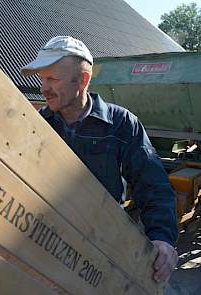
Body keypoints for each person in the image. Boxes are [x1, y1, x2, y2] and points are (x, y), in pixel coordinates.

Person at [21, 36, 178, 283]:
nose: (43, 88)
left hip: (102, 251)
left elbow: (153, 184)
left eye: (52, 79)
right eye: (42, 79)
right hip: (46, 242)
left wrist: (162, 238)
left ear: (83, 80)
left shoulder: (121, 124)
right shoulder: (38, 124)